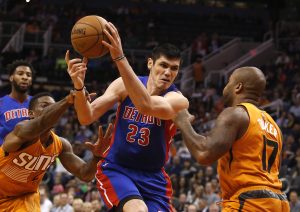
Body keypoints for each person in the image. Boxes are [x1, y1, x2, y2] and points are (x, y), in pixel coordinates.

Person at [65, 22, 189, 211]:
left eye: (174, 68)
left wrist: (119, 58)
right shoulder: (123, 84)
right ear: (150, 63)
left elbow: (146, 105)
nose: (168, 72)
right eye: (163, 65)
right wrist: (79, 86)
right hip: (117, 168)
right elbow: (86, 116)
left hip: (153, 177)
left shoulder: (177, 100)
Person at [173, 67, 290, 211]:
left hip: (249, 201)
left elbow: (203, 153)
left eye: (229, 82)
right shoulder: (274, 126)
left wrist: (183, 121)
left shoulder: (237, 113)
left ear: (238, 87)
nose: (225, 87)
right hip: (278, 202)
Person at [0, 92, 113, 211]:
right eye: (45, 106)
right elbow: (42, 122)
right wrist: (67, 100)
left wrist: (96, 157)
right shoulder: (22, 130)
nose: (52, 109)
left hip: (24, 198)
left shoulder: (61, 145)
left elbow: (85, 175)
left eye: (53, 106)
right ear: (31, 114)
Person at [0, 60, 34, 145]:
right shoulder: (1, 103)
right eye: (20, 73)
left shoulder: (38, 103)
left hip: (30, 155)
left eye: (28, 75)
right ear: (11, 77)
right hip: (5, 155)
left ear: (31, 80)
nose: (25, 77)